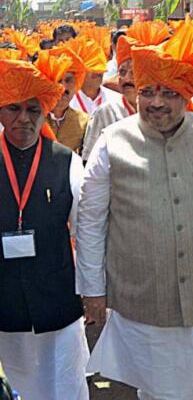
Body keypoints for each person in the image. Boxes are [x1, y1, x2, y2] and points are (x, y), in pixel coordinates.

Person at [76, 22, 193, 400]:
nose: (157, 102)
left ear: (187, 95)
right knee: (154, 386)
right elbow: (90, 220)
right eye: (148, 92)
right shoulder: (113, 141)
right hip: (143, 295)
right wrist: (93, 289)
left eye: (169, 93)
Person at [0, 58, 89, 400]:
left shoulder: (66, 161)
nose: (23, 118)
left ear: (45, 112)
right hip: (5, 295)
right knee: (20, 377)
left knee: (66, 377)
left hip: (57, 293)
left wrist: (93, 290)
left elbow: (86, 231)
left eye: (33, 110)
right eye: (13, 109)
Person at [82, 20, 171, 162]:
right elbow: (89, 161)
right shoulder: (106, 113)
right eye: (122, 72)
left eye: (133, 72)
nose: (126, 78)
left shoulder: (167, 109)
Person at [40, 47, 88, 153]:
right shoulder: (32, 119)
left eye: (68, 80)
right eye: (57, 80)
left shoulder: (84, 122)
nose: (63, 87)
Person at [67, 36, 121, 116]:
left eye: (100, 68)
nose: (98, 72)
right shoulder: (67, 103)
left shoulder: (118, 101)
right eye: (93, 68)